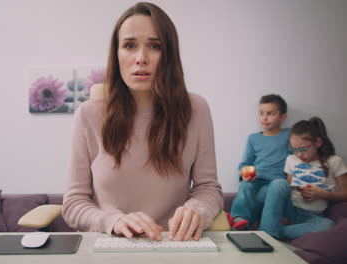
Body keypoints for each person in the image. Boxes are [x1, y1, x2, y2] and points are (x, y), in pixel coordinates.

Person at [62, 2, 223, 242]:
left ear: (168, 54)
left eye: (155, 46)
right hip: (109, 244)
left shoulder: (196, 109)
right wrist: (112, 220)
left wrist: (198, 210)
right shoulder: (88, 114)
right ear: (116, 55)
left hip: (173, 244)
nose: (141, 58)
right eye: (129, 46)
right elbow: (74, 203)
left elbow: (208, 189)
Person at [259, 117, 347, 240]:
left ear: (318, 142)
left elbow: (345, 194)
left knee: (328, 225)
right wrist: (298, 188)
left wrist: (323, 194)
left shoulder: (334, 161)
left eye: (304, 149)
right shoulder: (291, 159)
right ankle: (266, 234)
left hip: (312, 215)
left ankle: (273, 232)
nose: (299, 155)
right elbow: (287, 186)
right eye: (295, 150)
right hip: (290, 209)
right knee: (278, 183)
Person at [228, 94, 290, 230]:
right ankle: (238, 219)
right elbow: (245, 163)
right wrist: (245, 173)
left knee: (261, 195)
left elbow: (297, 157)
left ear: (283, 117)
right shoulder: (253, 138)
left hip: (275, 183)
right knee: (245, 187)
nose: (264, 117)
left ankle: (248, 223)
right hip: (255, 180)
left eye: (270, 113)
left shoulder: (289, 135)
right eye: (261, 113)